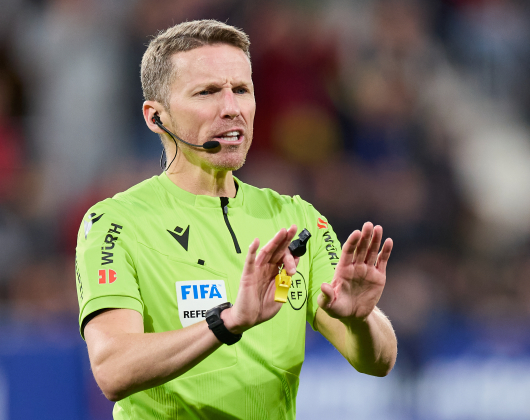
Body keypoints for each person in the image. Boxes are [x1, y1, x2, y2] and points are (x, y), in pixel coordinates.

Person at [75, 20, 397, 419]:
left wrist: (361, 319)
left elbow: (378, 362)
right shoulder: (116, 223)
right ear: (156, 117)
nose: (231, 109)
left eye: (241, 90)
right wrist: (226, 323)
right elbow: (112, 369)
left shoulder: (297, 220)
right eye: (207, 92)